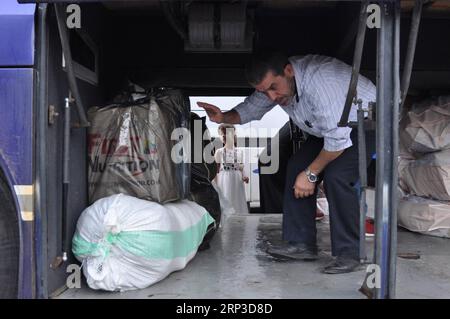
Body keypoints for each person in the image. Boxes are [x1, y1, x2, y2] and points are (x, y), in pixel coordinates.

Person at [198, 52, 376, 274]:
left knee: (337, 176)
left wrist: (311, 174)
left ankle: (350, 254)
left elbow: (338, 141)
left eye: (274, 87)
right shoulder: (277, 86)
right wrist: (222, 117)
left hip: (364, 125)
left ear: (289, 71)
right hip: (328, 130)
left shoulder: (321, 82)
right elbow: (250, 109)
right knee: (295, 168)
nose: (272, 97)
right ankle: (301, 245)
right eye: (265, 91)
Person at [214, 123, 249, 215]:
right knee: (226, 197)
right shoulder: (219, 152)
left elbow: (241, 167)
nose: (224, 136)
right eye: (222, 134)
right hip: (224, 178)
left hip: (236, 179)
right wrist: (215, 186)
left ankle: (238, 219)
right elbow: (215, 170)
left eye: (226, 134)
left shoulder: (239, 151)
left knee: (237, 199)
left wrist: (244, 176)